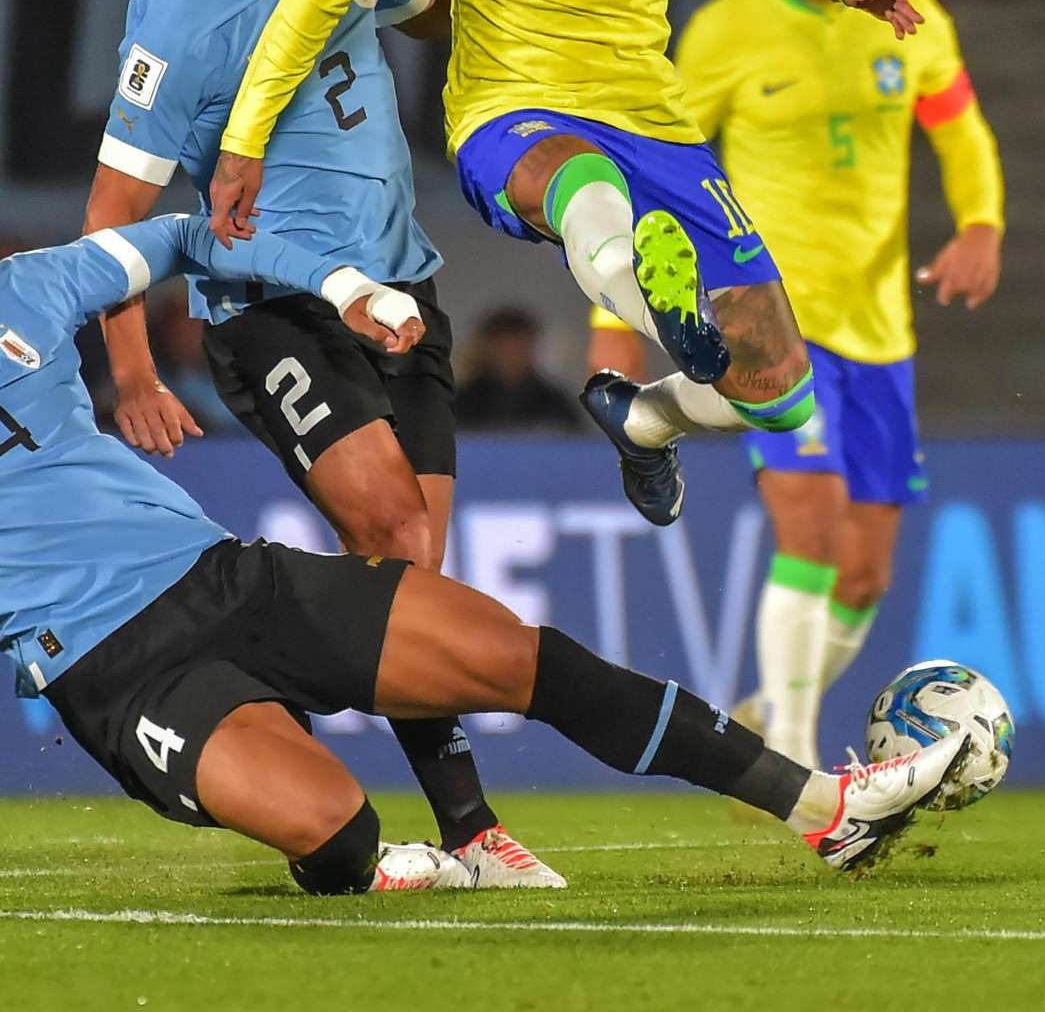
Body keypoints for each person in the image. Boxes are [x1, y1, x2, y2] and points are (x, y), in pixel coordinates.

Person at [0, 218, 973, 889]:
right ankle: (358, 864)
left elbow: (178, 234)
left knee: (511, 655)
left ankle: (821, 807)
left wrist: (338, 285)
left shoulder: (30, 287)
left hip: (223, 577)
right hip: (112, 671)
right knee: (339, 830)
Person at [207, 0, 923, 543]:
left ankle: (646, 420)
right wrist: (246, 136)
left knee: (778, 395)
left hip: (649, 110)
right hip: (511, 109)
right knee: (586, 190)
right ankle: (662, 305)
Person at [83, 0, 559, 889]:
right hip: (276, 309)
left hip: (407, 295)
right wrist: (136, 371)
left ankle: (239, 677)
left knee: (412, 571)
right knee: (396, 537)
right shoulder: (179, 8)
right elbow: (115, 212)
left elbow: (431, 4)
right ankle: (471, 826)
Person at [590, 0, 1002, 771]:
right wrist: (611, 322)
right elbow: (653, 180)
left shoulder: (911, 14)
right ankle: (800, 766)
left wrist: (980, 224)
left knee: (865, 573)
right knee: (810, 532)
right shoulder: (728, 31)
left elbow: (961, 129)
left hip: (882, 334)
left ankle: (777, 703)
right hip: (776, 328)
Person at [456, 305, 581, 431]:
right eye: (502, 347)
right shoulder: (462, 402)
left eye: (518, 346)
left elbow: (574, 442)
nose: (511, 355)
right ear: (486, 349)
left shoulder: (555, 403)